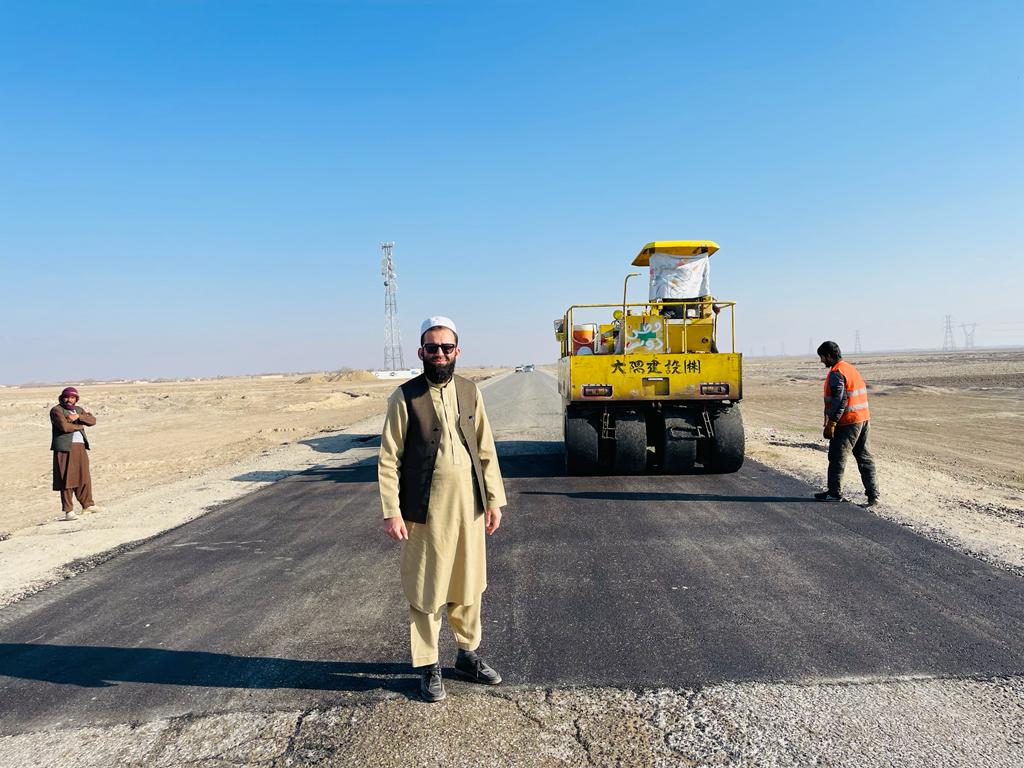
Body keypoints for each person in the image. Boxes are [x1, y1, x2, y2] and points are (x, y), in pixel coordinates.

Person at [377, 316, 507, 703]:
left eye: (446, 348)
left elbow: (486, 448)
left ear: (457, 352)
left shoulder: (470, 392)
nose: (439, 354)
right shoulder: (404, 398)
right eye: (431, 348)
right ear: (421, 352)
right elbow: (388, 459)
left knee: (468, 584)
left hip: (469, 507)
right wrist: (392, 511)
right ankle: (429, 665)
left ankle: (467, 656)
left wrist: (495, 500)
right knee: (427, 587)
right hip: (425, 511)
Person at [814, 341, 879, 506]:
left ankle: (835, 493)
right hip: (863, 419)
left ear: (828, 355)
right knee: (864, 458)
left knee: (837, 458)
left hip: (847, 422)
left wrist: (832, 422)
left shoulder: (837, 372)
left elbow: (840, 399)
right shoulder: (850, 368)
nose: (821, 361)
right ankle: (874, 495)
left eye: (822, 357)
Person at [50, 386, 100, 520]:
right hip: (64, 448)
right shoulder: (56, 410)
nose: (69, 400)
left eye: (72, 397)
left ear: (76, 399)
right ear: (62, 398)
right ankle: (69, 511)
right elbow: (64, 427)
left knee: (84, 476)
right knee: (67, 478)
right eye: (66, 397)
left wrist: (78, 416)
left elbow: (93, 421)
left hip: (80, 447)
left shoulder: (78, 410)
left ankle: (87, 505)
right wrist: (80, 425)